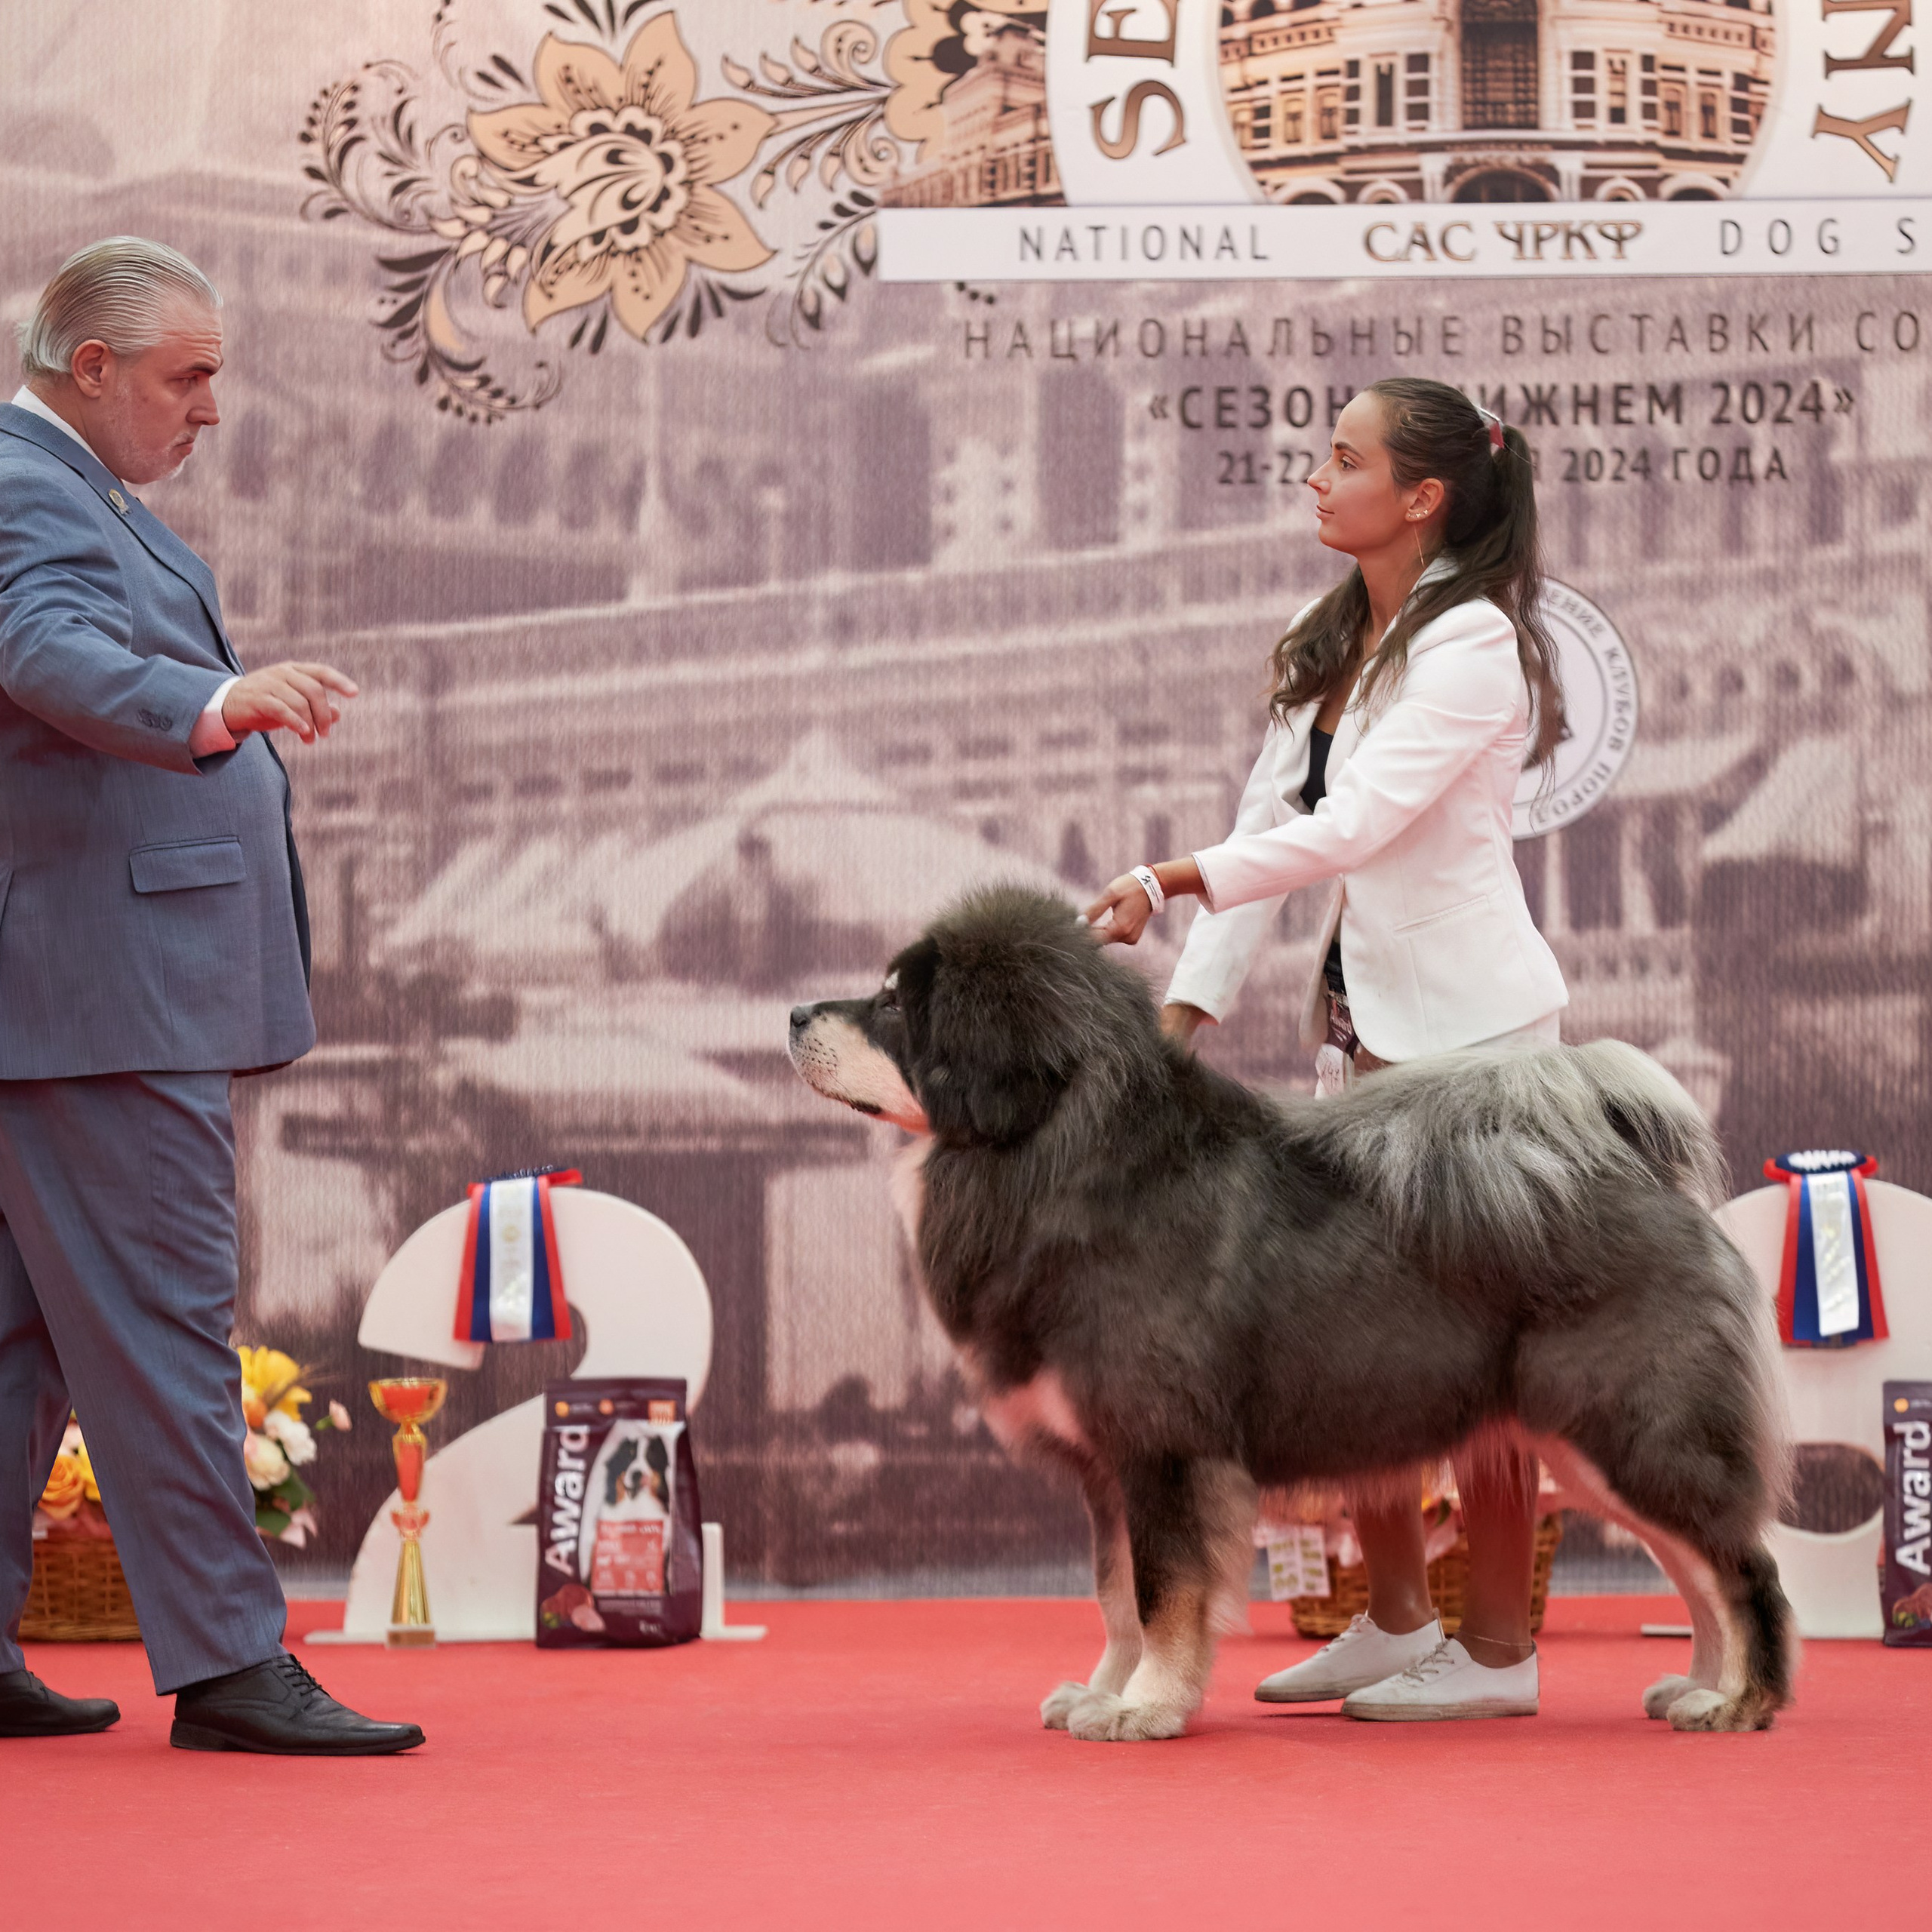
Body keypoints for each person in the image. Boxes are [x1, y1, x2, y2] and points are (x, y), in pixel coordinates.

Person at [1084, 377, 1569, 1721]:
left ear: (1421, 497)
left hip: (1476, 1042)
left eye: (1342, 459)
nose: (1315, 476)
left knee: (1481, 1350)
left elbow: (1346, 831)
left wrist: (1167, 876)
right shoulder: (1325, 629)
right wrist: (1179, 1025)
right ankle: (1393, 1615)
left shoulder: (1472, 645)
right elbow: (1271, 815)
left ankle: (1494, 1652)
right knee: (1359, 1338)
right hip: (1362, 1038)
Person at [0, 237, 420, 1752]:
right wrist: (204, 702)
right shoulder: (25, 481)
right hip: (108, 999)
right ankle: (237, 1661)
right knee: (169, 1321)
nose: (212, 410)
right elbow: (36, 643)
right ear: (87, 366)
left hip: (68, 994)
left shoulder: (65, 484)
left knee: (24, 1338)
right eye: (188, 377)